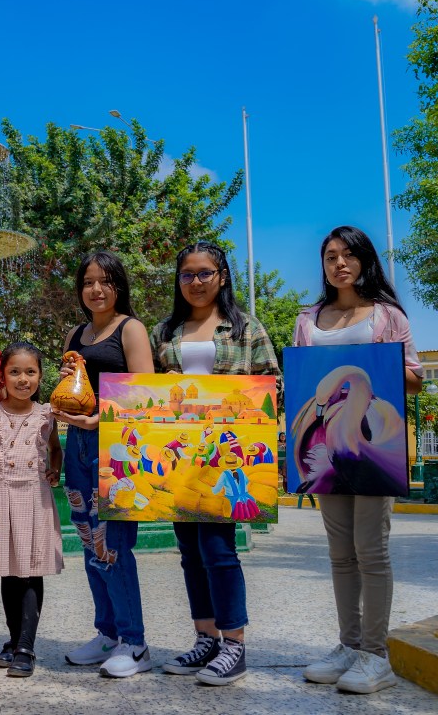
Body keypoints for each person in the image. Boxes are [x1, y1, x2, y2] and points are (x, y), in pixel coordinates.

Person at [293, 225, 423, 694]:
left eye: (348, 255)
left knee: (372, 549)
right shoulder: (309, 319)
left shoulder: (387, 316)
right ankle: (348, 645)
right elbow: (305, 380)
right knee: (340, 553)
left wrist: (383, 365)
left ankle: (375, 653)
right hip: (331, 449)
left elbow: (414, 377)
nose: (339, 263)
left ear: (364, 261)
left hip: (373, 445)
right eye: (330, 256)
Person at [150, 242, 281, 686]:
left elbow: (273, 385)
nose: (196, 282)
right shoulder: (165, 331)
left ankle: (234, 645)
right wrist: (159, 384)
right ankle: (205, 638)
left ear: (222, 276)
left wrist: (224, 391)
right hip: (180, 458)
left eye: (205, 273)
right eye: (187, 275)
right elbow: (142, 394)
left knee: (219, 551)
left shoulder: (245, 327)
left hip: (227, 454)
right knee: (189, 552)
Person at [55, 250, 154, 679]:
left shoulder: (131, 330)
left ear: (119, 286)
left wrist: (100, 420)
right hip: (76, 442)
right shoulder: (75, 335)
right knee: (90, 544)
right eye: (88, 282)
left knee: (114, 546)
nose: (96, 289)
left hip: (116, 447)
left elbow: (144, 397)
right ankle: (107, 633)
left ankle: (135, 642)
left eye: (105, 281)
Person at [0, 341, 64, 678]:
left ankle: (26, 646)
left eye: (31, 372)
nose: (24, 379)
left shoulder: (47, 414)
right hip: (1, 499)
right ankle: (12, 641)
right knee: (9, 572)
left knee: (31, 570)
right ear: (3, 376)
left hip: (36, 501)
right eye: (15, 372)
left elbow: (55, 449)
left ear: (40, 376)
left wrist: (56, 469)